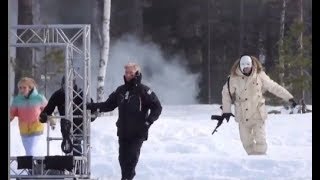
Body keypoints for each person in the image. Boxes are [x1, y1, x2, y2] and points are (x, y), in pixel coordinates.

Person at [86, 62, 162, 180]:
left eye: (131, 73)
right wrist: (90, 106)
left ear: (137, 73)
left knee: (131, 158)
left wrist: (148, 122)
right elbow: (108, 105)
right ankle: (125, 177)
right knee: (122, 159)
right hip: (123, 132)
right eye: (126, 72)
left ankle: (127, 178)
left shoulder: (144, 91)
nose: (128, 75)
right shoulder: (120, 90)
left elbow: (157, 107)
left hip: (138, 132)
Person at [221, 55, 297, 155]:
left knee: (260, 140)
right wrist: (226, 111)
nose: (246, 69)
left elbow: (273, 87)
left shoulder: (259, 75)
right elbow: (226, 93)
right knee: (246, 142)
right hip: (242, 115)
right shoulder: (233, 78)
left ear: (252, 65)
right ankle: (252, 161)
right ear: (240, 67)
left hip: (257, 113)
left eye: (248, 67)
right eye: (244, 67)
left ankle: (261, 160)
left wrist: (289, 97)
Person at [39, 76, 95, 156]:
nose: (67, 87)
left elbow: (92, 107)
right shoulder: (58, 94)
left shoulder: (80, 94)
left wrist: (92, 115)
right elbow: (48, 109)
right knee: (67, 145)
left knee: (76, 145)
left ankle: (77, 166)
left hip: (79, 124)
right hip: (65, 125)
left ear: (74, 84)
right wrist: (44, 116)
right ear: (62, 84)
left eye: (70, 85)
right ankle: (69, 165)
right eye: (65, 85)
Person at [10, 77, 48, 156]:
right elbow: (11, 113)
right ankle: (34, 167)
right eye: (20, 88)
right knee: (29, 152)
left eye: (24, 87)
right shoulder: (17, 100)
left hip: (36, 127)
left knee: (31, 150)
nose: (22, 90)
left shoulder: (39, 98)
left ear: (30, 88)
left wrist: (52, 121)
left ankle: (33, 166)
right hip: (23, 129)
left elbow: (48, 109)